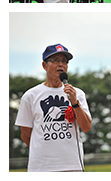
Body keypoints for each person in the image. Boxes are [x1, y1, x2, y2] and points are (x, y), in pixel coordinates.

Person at [15, 44, 92, 172]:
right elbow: (25, 134)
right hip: (41, 168)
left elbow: (86, 127)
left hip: (73, 166)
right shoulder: (30, 96)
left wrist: (75, 103)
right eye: (56, 60)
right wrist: (43, 152)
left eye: (64, 61)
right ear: (44, 65)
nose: (61, 65)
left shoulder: (77, 93)